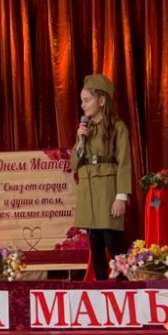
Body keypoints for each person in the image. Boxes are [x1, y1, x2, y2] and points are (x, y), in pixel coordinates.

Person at [70, 73, 132, 280]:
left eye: (87, 100)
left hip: (107, 193)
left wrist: (121, 196)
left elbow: (124, 162)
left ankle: (125, 285)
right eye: (82, 101)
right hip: (88, 194)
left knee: (112, 243)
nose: (83, 105)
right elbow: (73, 164)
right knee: (95, 245)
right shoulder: (85, 130)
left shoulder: (117, 127)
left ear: (102, 101)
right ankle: (101, 286)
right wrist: (80, 141)